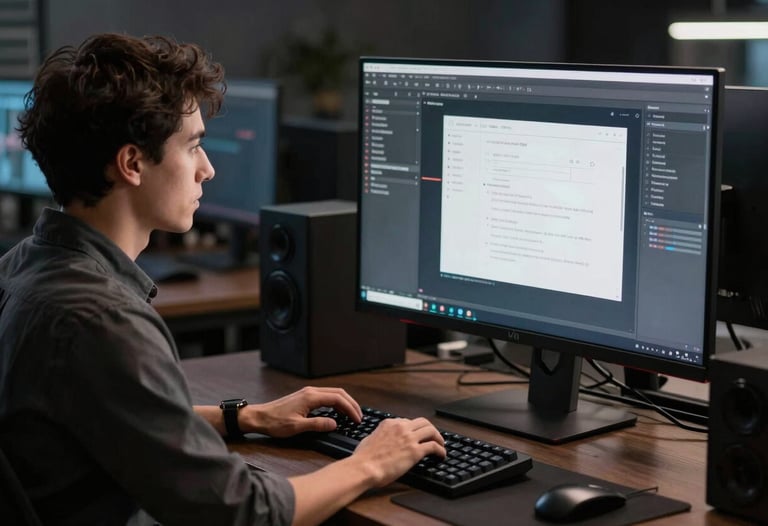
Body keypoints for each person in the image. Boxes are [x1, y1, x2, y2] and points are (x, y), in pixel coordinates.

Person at [0, 33, 445, 526]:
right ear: (131, 164)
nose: (207, 170)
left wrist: (245, 416)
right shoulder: (101, 321)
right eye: (192, 147)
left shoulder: (23, 266)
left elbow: (107, 418)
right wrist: (371, 463)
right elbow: (240, 513)